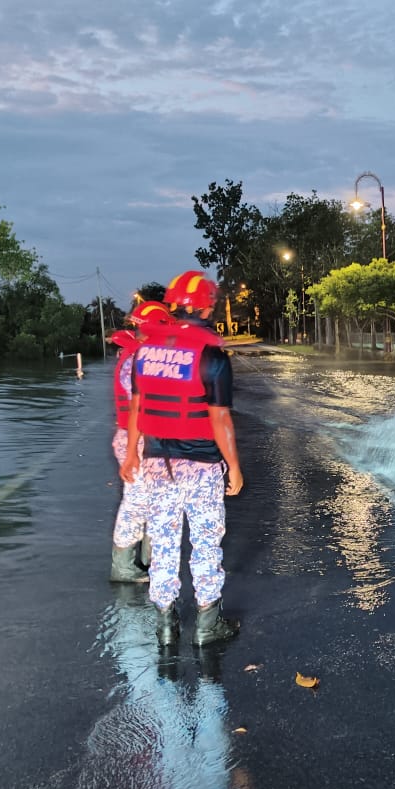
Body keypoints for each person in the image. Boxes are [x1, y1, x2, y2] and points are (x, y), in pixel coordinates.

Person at [120, 271, 244, 647]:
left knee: (163, 542)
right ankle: (207, 626)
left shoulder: (145, 353)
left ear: (174, 306)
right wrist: (234, 467)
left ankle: (166, 626)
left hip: (158, 465)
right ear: (207, 307)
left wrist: (130, 456)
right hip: (202, 468)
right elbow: (220, 419)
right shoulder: (212, 357)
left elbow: (137, 409)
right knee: (206, 543)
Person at [108, 301, 174, 583]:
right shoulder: (137, 360)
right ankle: (123, 567)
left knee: (153, 500)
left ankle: (150, 560)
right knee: (136, 503)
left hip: (146, 440)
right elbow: (143, 403)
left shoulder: (141, 355)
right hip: (135, 442)